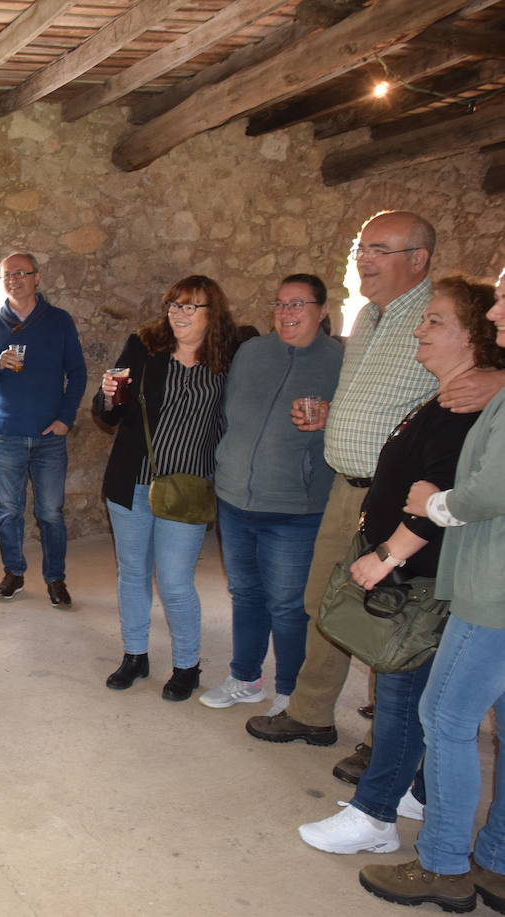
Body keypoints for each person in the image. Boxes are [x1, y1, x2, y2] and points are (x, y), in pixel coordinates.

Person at [245, 212, 505, 786]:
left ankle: (385, 744)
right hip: (349, 486)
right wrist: (336, 419)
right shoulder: (367, 316)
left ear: (419, 259)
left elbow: (489, 348)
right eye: (363, 247)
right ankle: (311, 714)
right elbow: (375, 396)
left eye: (379, 249)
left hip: (405, 498)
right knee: (327, 602)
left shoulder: (443, 312)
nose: (363, 258)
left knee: (392, 618)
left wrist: (500, 380)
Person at [297, 276, 503, 859]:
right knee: (411, 697)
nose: (421, 328)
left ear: (475, 338)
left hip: (421, 578)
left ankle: (374, 815)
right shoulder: (451, 395)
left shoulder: (466, 406)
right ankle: (416, 791)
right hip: (419, 572)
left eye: (435, 320)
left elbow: (447, 492)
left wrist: (388, 556)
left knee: (403, 696)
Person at [359, 271, 505, 911]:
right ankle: (496, 861)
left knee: (444, 718)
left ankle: (444, 864)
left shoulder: (482, 397)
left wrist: (436, 505)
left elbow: (487, 490)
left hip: (491, 587)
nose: (498, 306)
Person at [93, 275, 242, 701]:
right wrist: (107, 396)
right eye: (173, 305)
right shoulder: (143, 347)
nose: (178, 314)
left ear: (212, 314)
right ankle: (135, 654)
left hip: (188, 488)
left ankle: (187, 664)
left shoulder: (229, 358)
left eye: (189, 307)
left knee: (175, 581)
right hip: (133, 482)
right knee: (133, 573)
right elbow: (109, 411)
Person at [202, 274, 343, 713]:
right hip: (235, 498)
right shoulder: (252, 352)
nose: (286, 313)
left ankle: (289, 690)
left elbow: (359, 424)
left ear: (321, 311)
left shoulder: (341, 360)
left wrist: (331, 415)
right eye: (280, 304)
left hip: (294, 507)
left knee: (287, 604)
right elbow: (229, 412)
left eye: (298, 304)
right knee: (245, 595)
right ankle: (246, 678)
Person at [0, 252, 86, 607]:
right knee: (9, 509)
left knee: (51, 512)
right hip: (6, 432)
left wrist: (66, 418)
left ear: (37, 278)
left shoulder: (59, 321)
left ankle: (56, 577)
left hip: (49, 434)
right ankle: (14, 572)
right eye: (8, 274)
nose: (15, 279)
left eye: (21, 273)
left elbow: (78, 373)